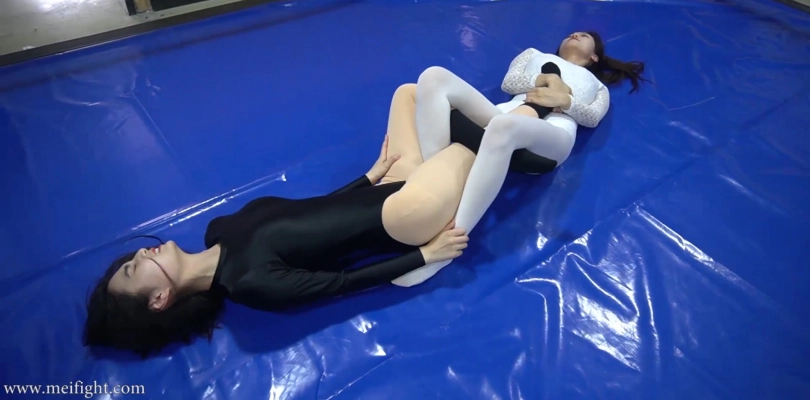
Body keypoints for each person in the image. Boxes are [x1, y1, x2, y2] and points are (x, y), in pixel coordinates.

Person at [82, 77, 556, 357]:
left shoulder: (216, 230)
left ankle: (505, 128)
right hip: (404, 216)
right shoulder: (249, 284)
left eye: (130, 260)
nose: (140, 255)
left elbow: (310, 213)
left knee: (410, 93)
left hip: (388, 186)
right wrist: (424, 255)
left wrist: (367, 177)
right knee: (473, 145)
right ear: (160, 300)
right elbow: (342, 283)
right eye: (133, 270)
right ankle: (538, 108)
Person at [391, 31, 647, 287]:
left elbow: (592, 117)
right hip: (504, 114)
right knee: (433, 76)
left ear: (594, 56)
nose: (575, 35)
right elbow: (510, 83)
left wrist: (565, 101)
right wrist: (542, 81)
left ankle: (448, 246)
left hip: (551, 134)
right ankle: (428, 181)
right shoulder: (534, 54)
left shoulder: (598, 86)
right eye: (572, 33)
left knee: (504, 127)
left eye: (584, 36)